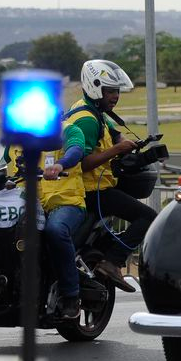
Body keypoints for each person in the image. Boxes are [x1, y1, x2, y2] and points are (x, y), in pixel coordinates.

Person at [71, 59, 156, 291]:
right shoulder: (87, 120)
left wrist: (121, 140)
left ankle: (101, 255)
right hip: (92, 192)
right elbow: (80, 163)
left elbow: (111, 127)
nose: (115, 96)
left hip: (97, 189)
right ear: (94, 87)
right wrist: (116, 150)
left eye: (117, 91)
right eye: (110, 91)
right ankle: (113, 262)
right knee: (148, 217)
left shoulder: (93, 111)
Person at [40, 117, 89, 320]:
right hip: (33, 202)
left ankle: (71, 296)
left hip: (68, 202)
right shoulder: (22, 136)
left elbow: (76, 149)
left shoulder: (69, 130)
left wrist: (60, 165)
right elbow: (1, 157)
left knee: (55, 230)